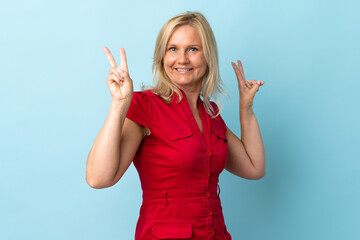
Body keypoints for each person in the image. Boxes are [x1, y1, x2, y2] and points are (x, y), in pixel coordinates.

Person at [86, 11, 265, 240]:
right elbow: (98, 178)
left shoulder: (211, 114)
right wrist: (120, 103)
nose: (182, 59)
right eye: (173, 49)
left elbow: (254, 168)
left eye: (193, 49)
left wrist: (246, 109)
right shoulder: (145, 106)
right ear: (162, 56)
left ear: (207, 56)